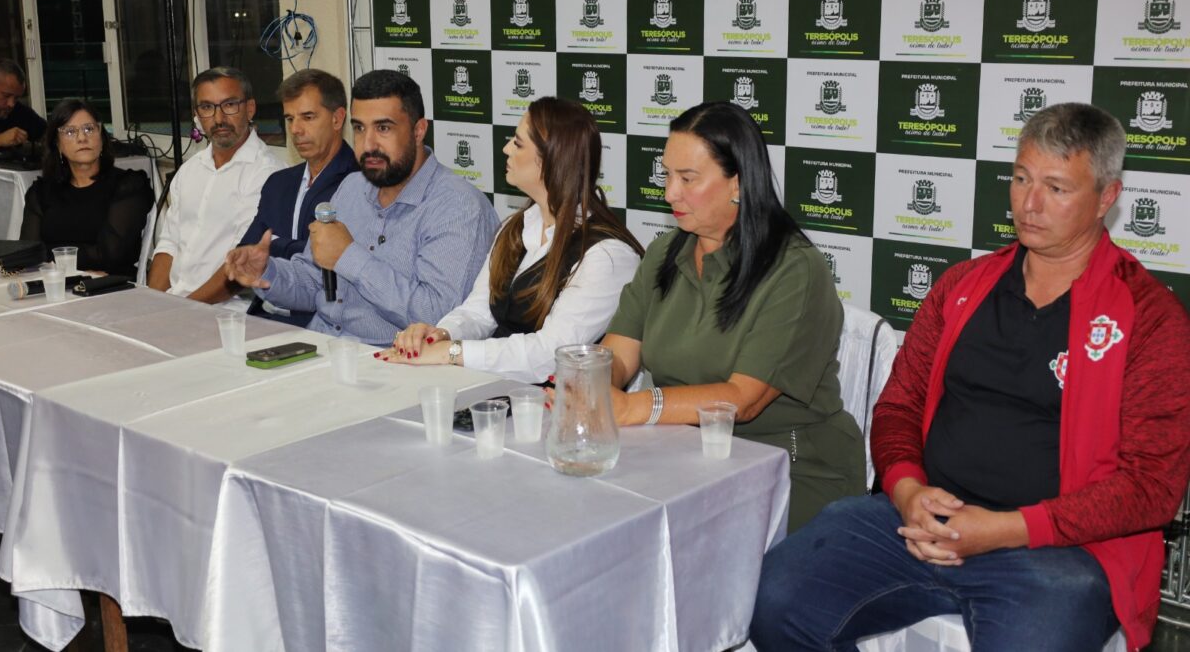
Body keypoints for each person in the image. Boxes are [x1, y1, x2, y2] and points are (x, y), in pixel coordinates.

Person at [749, 103, 1190, 652]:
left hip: (1057, 551)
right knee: (773, 601)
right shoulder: (963, 286)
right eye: (1022, 179)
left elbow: (1152, 486)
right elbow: (898, 405)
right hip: (918, 522)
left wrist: (1007, 529)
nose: (1029, 204)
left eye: (1056, 188)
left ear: (1107, 198)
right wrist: (908, 490)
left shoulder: (1149, 317)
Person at [601, 101, 864, 531]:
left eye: (688, 179)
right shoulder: (665, 253)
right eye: (667, 175)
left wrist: (631, 406)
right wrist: (594, 385)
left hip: (788, 466)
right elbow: (619, 354)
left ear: (737, 182)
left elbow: (742, 400)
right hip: (683, 456)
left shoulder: (795, 269)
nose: (670, 193)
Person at [225, 69, 499, 345]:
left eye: (383, 128)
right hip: (321, 346)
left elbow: (438, 318)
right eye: (359, 128)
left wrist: (349, 256)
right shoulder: (352, 187)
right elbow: (313, 283)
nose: (368, 144)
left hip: (392, 359)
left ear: (418, 131)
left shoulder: (458, 207)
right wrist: (267, 272)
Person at [381, 96, 643, 382]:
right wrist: (439, 335)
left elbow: (552, 354)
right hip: (502, 391)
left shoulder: (608, 255)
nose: (506, 149)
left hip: (557, 402)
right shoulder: (514, 227)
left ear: (551, 159)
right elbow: (480, 311)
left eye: (518, 144)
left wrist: (452, 352)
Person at [148, 66, 285, 301]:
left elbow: (241, 264)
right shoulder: (189, 170)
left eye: (229, 105)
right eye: (207, 107)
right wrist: (154, 304)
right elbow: (169, 244)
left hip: (227, 310)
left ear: (250, 108)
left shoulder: (269, 175)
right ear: (197, 115)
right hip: (175, 304)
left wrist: (183, 310)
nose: (219, 119)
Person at [235, 69, 359, 327]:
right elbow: (247, 252)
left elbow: (334, 265)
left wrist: (276, 246)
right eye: (290, 119)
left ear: (337, 119)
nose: (296, 130)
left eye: (308, 117)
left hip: (319, 324)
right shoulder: (278, 182)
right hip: (261, 316)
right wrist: (300, 247)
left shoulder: (358, 182)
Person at [19, 98, 153, 278]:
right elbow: (28, 253)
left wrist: (53, 254)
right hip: (55, 285)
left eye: (89, 129)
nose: (82, 138)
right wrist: (79, 262)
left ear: (102, 137)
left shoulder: (128, 185)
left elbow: (111, 255)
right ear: (57, 144)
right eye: (70, 132)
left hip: (111, 286)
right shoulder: (41, 192)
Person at [0, 58, 45, 151]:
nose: (11, 104)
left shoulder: (20, 112)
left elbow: (50, 135)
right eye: (6, 95)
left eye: (16, 98)